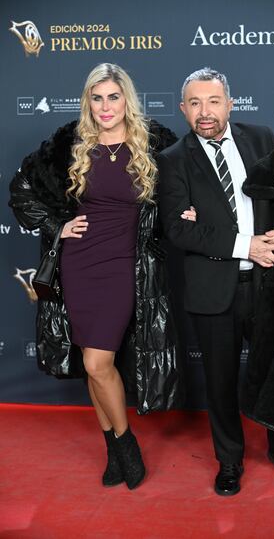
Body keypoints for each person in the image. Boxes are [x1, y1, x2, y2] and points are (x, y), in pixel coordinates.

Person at [158, 67, 274, 496]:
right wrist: (245, 245)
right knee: (219, 384)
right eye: (196, 103)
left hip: (271, 284)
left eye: (214, 101)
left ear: (230, 103)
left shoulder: (260, 137)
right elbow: (178, 230)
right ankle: (229, 462)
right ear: (183, 109)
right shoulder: (172, 161)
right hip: (213, 289)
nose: (206, 112)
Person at [9, 63, 186, 490]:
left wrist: (186, 209)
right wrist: (57, 225)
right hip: (78, 263)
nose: (105, 106)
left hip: (126, 265)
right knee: (94, 367)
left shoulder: (155, 144)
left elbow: (183, 193)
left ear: (127, 99)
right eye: (96, 97)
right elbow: (21, 190)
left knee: (97, 360)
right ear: (87, 100)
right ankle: (115, 449)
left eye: (113, 97)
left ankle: (125, 446)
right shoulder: (69, 145)